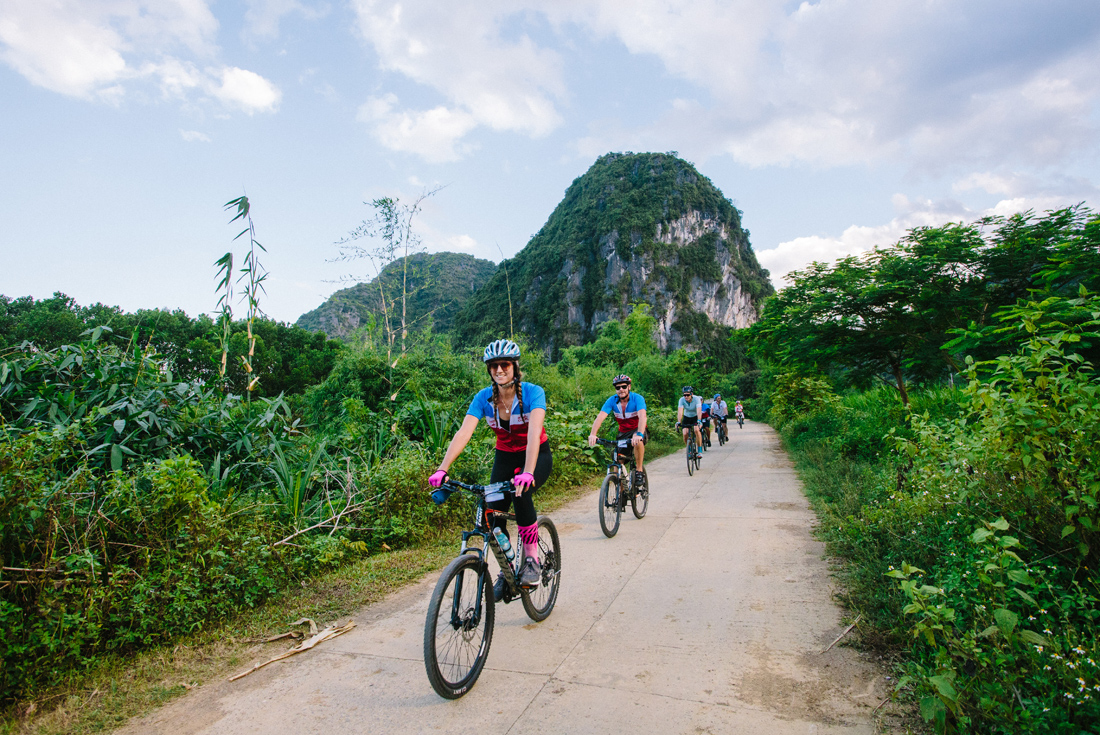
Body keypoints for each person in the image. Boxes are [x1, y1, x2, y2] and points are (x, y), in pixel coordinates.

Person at [429, 339, 552, 600]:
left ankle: (531, 560)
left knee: (521, 493)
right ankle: (507, 573)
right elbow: (464, 432)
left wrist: (528, 472)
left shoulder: (533, 393)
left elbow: (533, 434)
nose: (499, 370)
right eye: (494, 366)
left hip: (536, 455)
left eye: (505, 364)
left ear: (515, 367)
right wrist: (442, 469)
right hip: (505, 457)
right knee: (492, 515)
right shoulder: (483, 399)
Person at [587, 374, 648, 489]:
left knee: (637, 441)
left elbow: (642, 417)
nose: (621, 390)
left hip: (638, 429)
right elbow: (600, 417)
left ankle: (639, 471)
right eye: (618, 387)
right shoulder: (612, 401)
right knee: (617, 465)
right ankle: (620, 496)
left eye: (624, 386)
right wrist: (593, 434)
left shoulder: (637, 398)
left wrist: (639, 434)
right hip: (623, 434)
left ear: (629, 387)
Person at [675, 386, 703, 457]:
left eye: (688, 395)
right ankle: (689, 450)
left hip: (695, 416)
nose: (686, 396)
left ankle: (699, 450)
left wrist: (699, 420)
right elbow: (680, 411)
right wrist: (679, 421)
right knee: (685, 433)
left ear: (691, 394)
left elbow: (699, 410)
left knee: (696, 430)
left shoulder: (697, 399)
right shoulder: (681, 400)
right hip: (686, 417)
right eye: (684, 395)